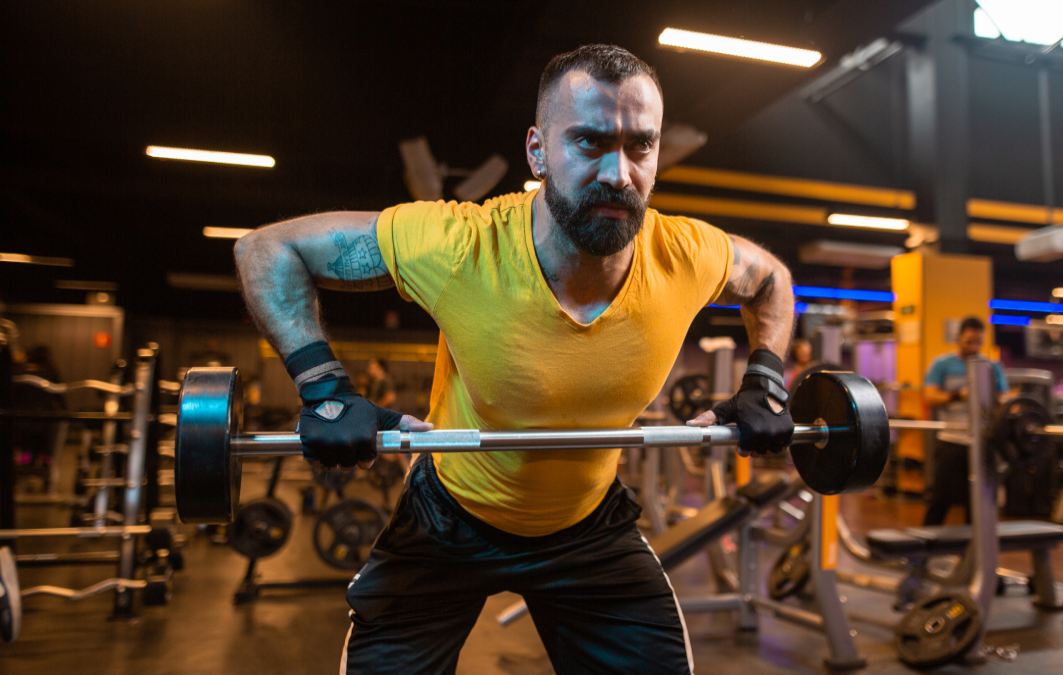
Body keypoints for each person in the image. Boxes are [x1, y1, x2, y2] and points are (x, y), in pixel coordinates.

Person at [233, 45, 796, 675]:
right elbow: (267, 249)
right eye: (588, 142)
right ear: (537, 151)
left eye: (641, 146)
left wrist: (766, 379)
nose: (619, 172)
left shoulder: (687, 255)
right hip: (447, 518)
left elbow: (771, 277)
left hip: (588, 527)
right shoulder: (458, 244)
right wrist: (324, 388)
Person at [921, 316, 1008, 526]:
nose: (974, 346)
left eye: (978, 342)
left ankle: (972, 554)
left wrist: (990, 397)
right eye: (969, 341)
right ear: (958, 338)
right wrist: (959, 395)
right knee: (941, 498)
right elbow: (929, 397)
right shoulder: (942, 364)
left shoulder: (991, 366)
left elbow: (1005, 398)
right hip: (951, 439)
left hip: (981, 441)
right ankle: (921, 556)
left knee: (977, 501)